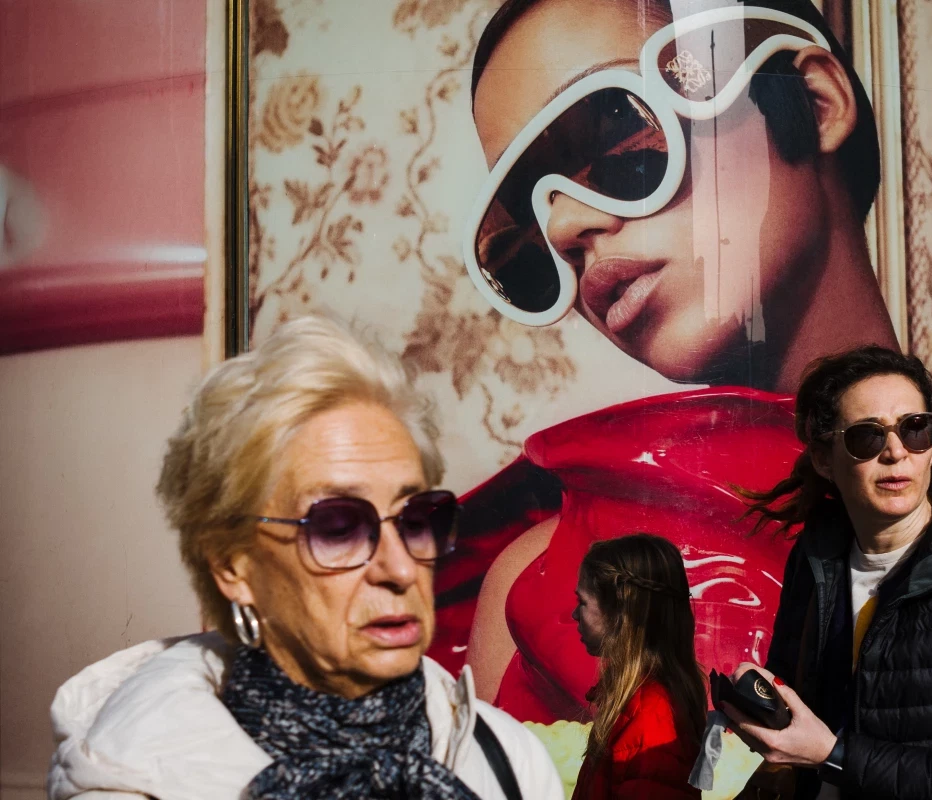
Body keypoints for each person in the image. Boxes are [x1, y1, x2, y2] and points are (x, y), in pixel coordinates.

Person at [432, 0, 932, 773]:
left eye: (617, 135)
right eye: (524, 217)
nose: (562, 229)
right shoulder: (533, 584)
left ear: (816, 103)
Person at [47, 315, 563, 800]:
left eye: (414, 521)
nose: (401, 569)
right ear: (232, 565)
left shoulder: (510, 761)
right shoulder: (135, 786)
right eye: (337, 529)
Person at [723, 346, 932, 799]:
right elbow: (795, 703)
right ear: (824, 459)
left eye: (915, 428)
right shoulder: (816, 559)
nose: (897, 451)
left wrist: (834, 755)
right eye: (867, 436)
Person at [571, 533, 707, 799]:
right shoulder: (637, 704)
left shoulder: (651, 716)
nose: (575, 614)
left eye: (582, 602)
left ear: (620, 611)